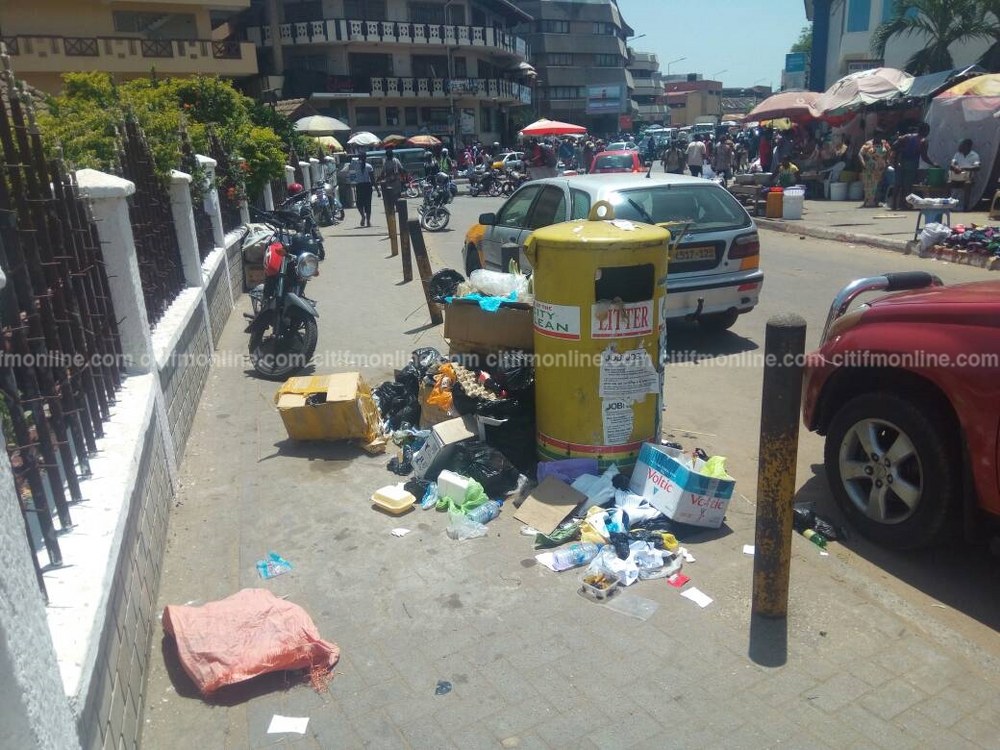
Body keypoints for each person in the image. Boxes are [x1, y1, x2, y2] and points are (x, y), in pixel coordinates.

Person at [892, 123, 937, 210]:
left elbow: (894, 146)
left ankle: (894, 205)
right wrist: (933, 164)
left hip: (901, 163)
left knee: (897, 185)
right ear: (926, 131)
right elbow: (924, 157)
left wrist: (900, 153)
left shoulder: (906, 137)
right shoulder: (923, 141)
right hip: (912, 164)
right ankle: (904, 205)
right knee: (907, 186)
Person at [857, 131, 892, 208]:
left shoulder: (884, 143)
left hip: (881, 169)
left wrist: (887, 162)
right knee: (869, 185)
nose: (879, 139)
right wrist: (863, 163)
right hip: (870, 168)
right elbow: (860, 154)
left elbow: (889, 153)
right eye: (878, 136)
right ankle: (869, 202)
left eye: (881, 137)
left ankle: (876, 201)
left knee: (879, 185)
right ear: (874, 136)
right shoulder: (868, 144)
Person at [379, 146, 405, 214]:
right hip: (390, 181)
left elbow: (401, 169)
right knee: (393, 195)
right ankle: (394, 207)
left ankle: (397, 207)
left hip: (395, 180)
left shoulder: (394, 160)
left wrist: (403, 178)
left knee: (397, 194)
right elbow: (401, 169)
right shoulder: (388, 161)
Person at [351, 152, 374, 227]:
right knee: (368, 204)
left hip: (359, 186)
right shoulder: (369, 166)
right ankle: (368, 221)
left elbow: (351, 159)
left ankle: (363, 216)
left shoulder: (355, 165)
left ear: (359, 158)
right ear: (366, 158)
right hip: (367, 186)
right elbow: (372, 179)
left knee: (359, 203)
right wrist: (377, 190)